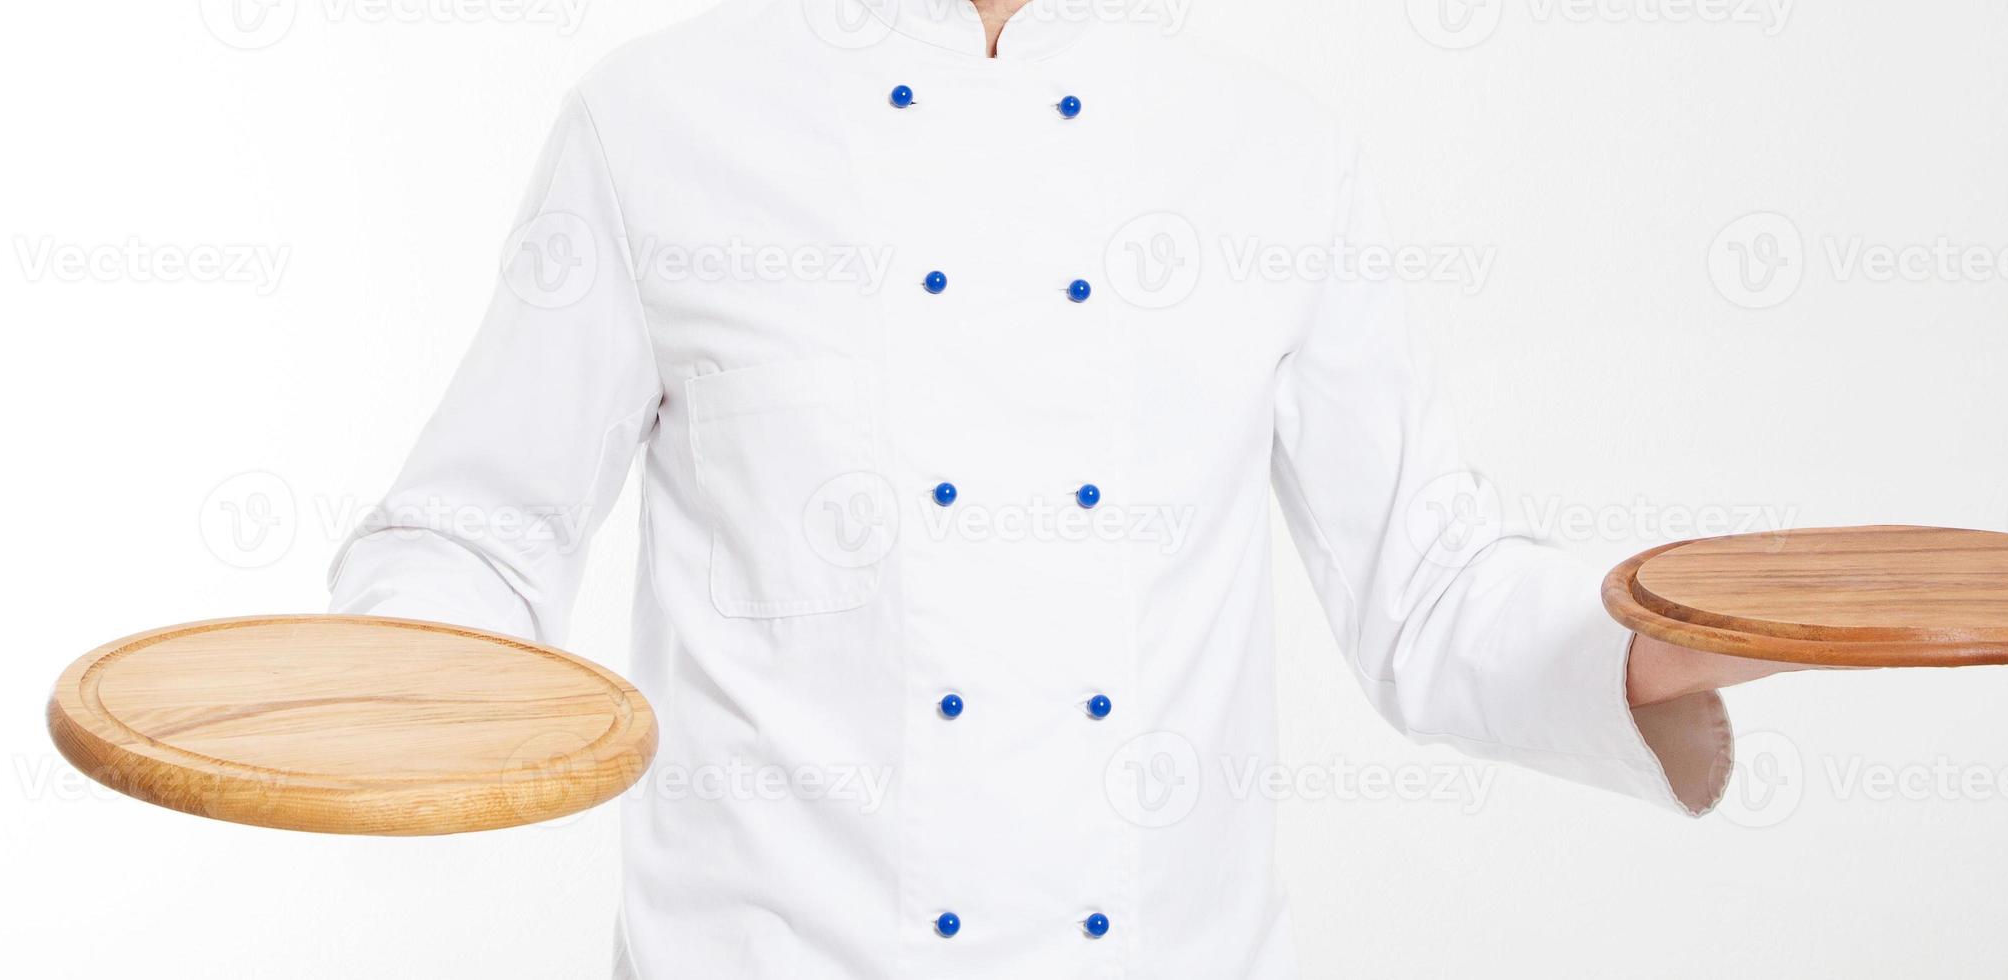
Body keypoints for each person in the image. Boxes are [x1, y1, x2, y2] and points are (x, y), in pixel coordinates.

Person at [330, 1, 1799, 975]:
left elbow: (1426, 595)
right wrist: (392, 682)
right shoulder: (659, 120)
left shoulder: (1269, 150)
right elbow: (483, 529)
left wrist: (1659, 640)